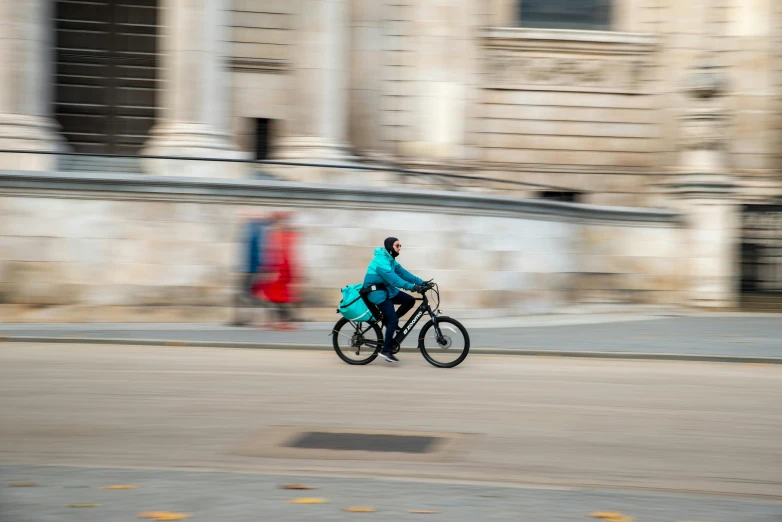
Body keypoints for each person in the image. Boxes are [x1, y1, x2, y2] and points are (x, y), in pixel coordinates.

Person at [363, 237, 427, 363]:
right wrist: (413, 287)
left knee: (410, 300)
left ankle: (390, 322)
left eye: (400, 245)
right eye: (397, 245)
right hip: (377, 293)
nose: (399, 248)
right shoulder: (381, 261)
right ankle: (386, 350)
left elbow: (404, 273)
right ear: (389, 247)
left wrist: (422, 282)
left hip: (387, 290)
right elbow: (395, 280)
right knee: (393, 320)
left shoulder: (390, 260)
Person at [253, 211, 301, 330]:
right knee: (269, 296)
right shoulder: (275, 233)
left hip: (279, 271)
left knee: (279, 298)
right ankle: (273, 321)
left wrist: (274, 271)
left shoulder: (284, 235)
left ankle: (287, 321)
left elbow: (282, 254)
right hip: (274, 270)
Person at [232, 210, 275, 326]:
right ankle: (240, 319)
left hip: (253, 269)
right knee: (241, 295)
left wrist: (261, 269)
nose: (242, 216)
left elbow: (257, 252)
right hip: (249, 268)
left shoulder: (256, 230)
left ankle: (268, 309)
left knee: (246, 294)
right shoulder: (251, 229)